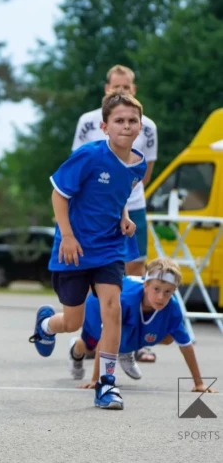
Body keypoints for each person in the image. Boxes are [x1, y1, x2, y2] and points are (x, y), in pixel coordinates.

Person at [28, 90, 147, 410]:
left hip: (109, 248)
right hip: (74, 248)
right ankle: (45, 326)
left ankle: (107, 384)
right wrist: (67, 236)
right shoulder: (89, 156)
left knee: (113, 309)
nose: (126, 126)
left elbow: (119, 194)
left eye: (132, 120)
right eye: (119, 121)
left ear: (140, 126)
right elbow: (59, 195)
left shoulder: (139, 164)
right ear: (105, 127)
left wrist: (124, 218)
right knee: (72, 321)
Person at [72, 65, 159, 365]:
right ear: (106, 89)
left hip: (132, 203)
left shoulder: (147, 126)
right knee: (93, 273)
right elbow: (77, 165)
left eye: (127, 88)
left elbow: (144, 170)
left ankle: (130, 342)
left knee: (135, 272)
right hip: (95, 207)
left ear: (134, 90)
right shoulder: (88, 122)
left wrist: (124, 195)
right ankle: (92, 333)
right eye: (115, 87)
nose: (121, 92)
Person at [69, 258, 217, 395]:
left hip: (130, 325)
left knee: (170, 337)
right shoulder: (126, 300)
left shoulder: (173, 308)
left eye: (167, 292)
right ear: (146, 286)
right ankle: (75, 351)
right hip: (98, 305)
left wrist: (199, 383)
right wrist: (96, 380)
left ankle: (125, 350)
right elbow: (105, 338)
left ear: (174, 292)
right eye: (156, 289)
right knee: (90, 346)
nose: (161, 297)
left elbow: (186, 345)